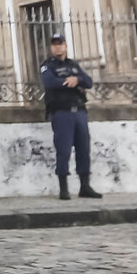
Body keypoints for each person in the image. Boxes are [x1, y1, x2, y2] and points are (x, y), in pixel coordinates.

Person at [39, 33, 100, 200]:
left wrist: (77, 79)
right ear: (51, 47)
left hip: (79, 111)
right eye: (54, 44)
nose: (57, 47)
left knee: (83, 149)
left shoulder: (74, 65)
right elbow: (49, 82)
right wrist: (70, 82)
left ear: (65, 46)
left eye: (60, 43)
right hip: (61, 113)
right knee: (63, 150)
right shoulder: (48, 65)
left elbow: (88, 81)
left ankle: (85, 186)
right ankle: (63, 188)